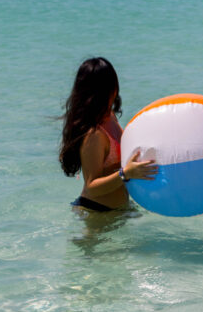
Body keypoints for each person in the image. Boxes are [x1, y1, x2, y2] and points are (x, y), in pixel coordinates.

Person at [59, 57, 157, 212]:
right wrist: (125, 174)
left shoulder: (109, 115)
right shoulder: (94, 135)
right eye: (110, 89)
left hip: (118, 211)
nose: (115, 92)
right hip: (95, 213)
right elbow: (92, 186)